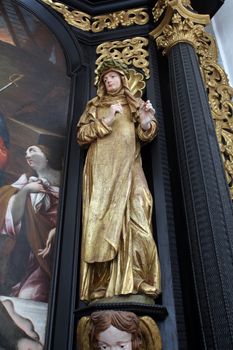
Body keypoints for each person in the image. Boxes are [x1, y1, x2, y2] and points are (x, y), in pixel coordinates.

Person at [77, 59, 161, 302]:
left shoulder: (135, 103)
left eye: (112, 76)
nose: (108, 81)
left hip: (129, 168)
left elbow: (147, 132)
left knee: (140, 212)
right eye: (105, 79)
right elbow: (82, 135)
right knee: (102, 222)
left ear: (123, 79)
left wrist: (146, 120)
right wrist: (108, 120)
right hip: (102, 172)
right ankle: (101, 284)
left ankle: (140, 279)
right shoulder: (94, 105)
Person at [0, 144, 60, 302]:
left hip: (58, 249)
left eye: (32, 150)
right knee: (26, 295)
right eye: (26, 152)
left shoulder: (67, 181)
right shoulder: (25, 182)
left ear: (47, 156)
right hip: (32, 251)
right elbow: (12, 219)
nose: (27, 155)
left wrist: (56, 231)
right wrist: (26, 190)